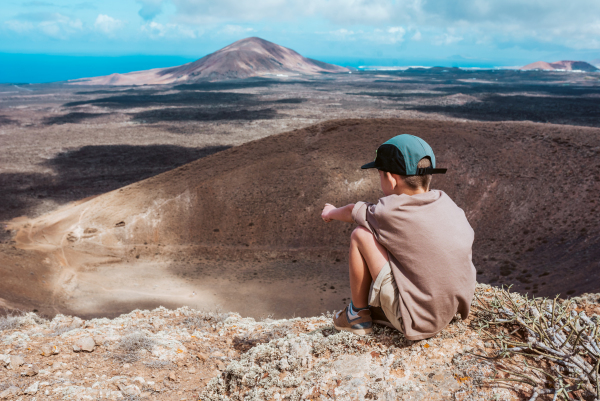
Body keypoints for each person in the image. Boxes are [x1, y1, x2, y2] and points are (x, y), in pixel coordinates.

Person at [320, 134, 476, 340]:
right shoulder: (447, 204)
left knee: (361, 234)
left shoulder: (390, 210)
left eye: (380, 175)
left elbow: (352, 211)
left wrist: (329, 212)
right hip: (453, 309)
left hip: (418, 321)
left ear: (391, 179)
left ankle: (357, 315)